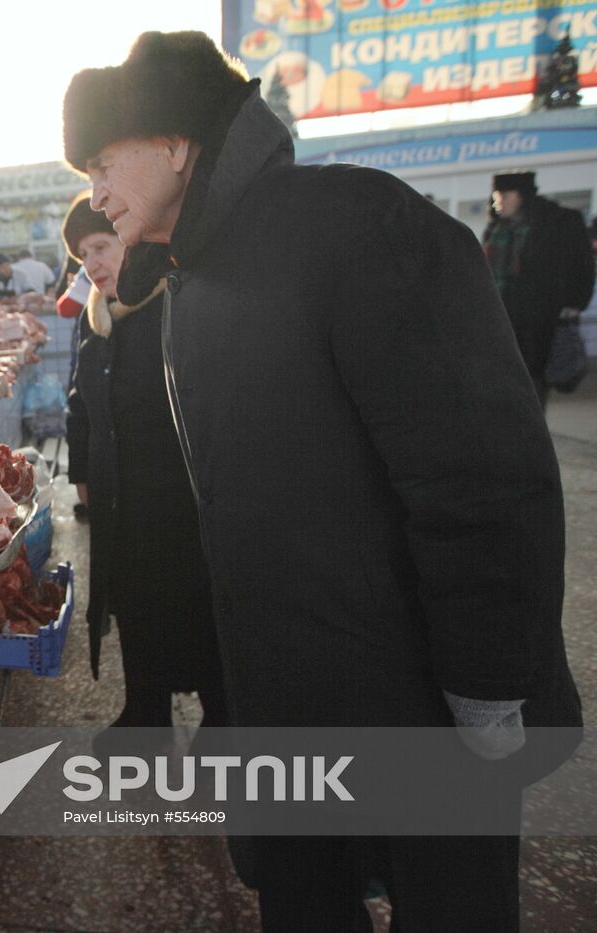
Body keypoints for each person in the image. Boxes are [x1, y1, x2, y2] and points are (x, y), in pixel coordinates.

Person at [63, 31, 579, 931]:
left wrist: (491, 682)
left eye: (104, 163)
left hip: (413, 692)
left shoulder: (358, 226)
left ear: (177, 144)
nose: (95, 192)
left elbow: (480, 473)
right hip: (287, 695)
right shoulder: (187, 279)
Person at [62, 191, 226, 736]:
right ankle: (145, 714)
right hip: (121, 501)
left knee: (195, 606)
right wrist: (81, 474)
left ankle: (222, 719)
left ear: (131, 243)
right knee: (134, 608)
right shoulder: (95, 320)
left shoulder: (176, 303)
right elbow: (79, 403)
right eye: (82, 255)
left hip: (179, 499)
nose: (92, 264)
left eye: (100, 247)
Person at [482, 170, 594, 406]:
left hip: (540, 318)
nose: (498, 202)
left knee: (533, 381)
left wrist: (575, 302)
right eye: (496, 196)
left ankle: (529, 423)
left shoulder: (559, 221)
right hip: (500, 318)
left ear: (522, 195)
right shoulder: (495, 228)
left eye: (504, 195)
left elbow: (582, 264)